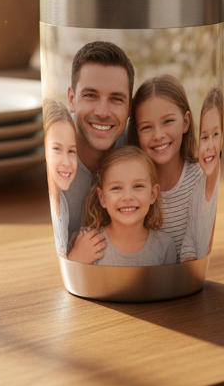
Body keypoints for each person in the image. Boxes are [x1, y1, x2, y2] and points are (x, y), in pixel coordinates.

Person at [62, 40, 135, 250]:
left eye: (116, 99)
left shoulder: (139, 145)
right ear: (72, 99)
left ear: (129, 108)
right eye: (91, 96)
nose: (103, 112)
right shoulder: (55, 158)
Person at [129, 75, 201, 260]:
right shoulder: (130, 186)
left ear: (185, 122)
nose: (158, 135)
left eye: (168, 121)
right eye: (146, 127)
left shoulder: (200, 176)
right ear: (136, 133)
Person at [68, 145, 177, 267]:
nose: (128, 197)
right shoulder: (87, 241)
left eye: (138, 186)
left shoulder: (164, 246)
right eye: (116, 188)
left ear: (153, 194)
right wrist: (75, 258)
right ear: (103, 198)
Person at [181, 86, 223, 262]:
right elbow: (189, 240)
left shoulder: (220, 188)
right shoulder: (197, 191)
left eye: (216, 134)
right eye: (204, 137)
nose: (210, 145)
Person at [42, 99, 80, 257]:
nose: (66, 162)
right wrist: (79, 255)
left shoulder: (62, 204)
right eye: (57, 149)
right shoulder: (47, 205)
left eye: (71, 151)